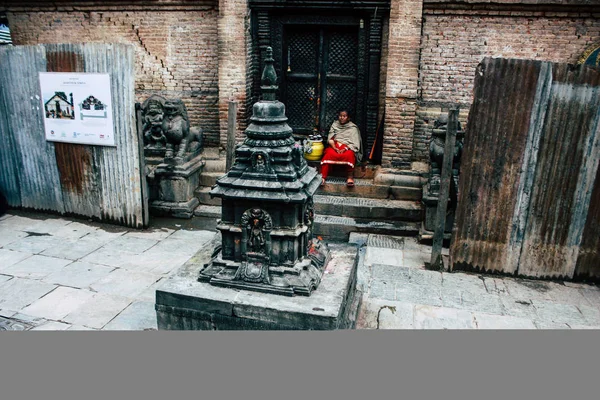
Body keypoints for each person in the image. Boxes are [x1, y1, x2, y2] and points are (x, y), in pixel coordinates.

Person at [320, 110, 362, 187]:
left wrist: (345, 148)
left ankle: (350, 177)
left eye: (344, 116)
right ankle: (323, 177)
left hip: (347, 147)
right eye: (340, 116)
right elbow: (330, 139)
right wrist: (335, 148)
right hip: (335, 146)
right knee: (328, 153)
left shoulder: (353, 128)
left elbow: (355, 143)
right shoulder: (335, 125)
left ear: (348, 118)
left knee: (349, 155)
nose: (342, 118)